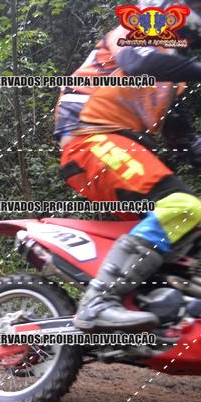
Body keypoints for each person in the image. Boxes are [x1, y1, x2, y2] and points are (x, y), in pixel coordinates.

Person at [53, 0, 201, 331]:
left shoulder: (172, 80)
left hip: (122, 149)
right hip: (89, 139)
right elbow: (138, 62)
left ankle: (156, 306)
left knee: (186, 223)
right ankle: (98, 303)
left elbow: (184, 141)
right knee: (182, 206)